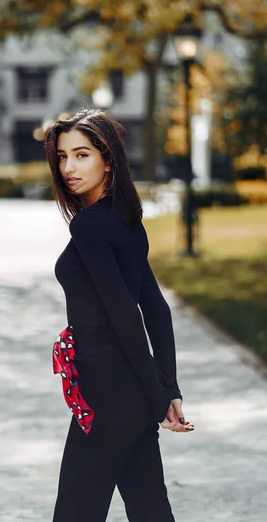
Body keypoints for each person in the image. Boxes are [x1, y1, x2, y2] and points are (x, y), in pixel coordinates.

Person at [45, 109, 194, 522]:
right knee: (150, 510)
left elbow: (127, 314)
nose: (68, 167)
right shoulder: (126, 220)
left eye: (81, 155)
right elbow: (156, 310)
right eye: (61, 157)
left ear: (108, 159)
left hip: (107, 395)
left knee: (75, 513)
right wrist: (165, 388)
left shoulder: (90, 227)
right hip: (130, 394)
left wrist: (160, 393)